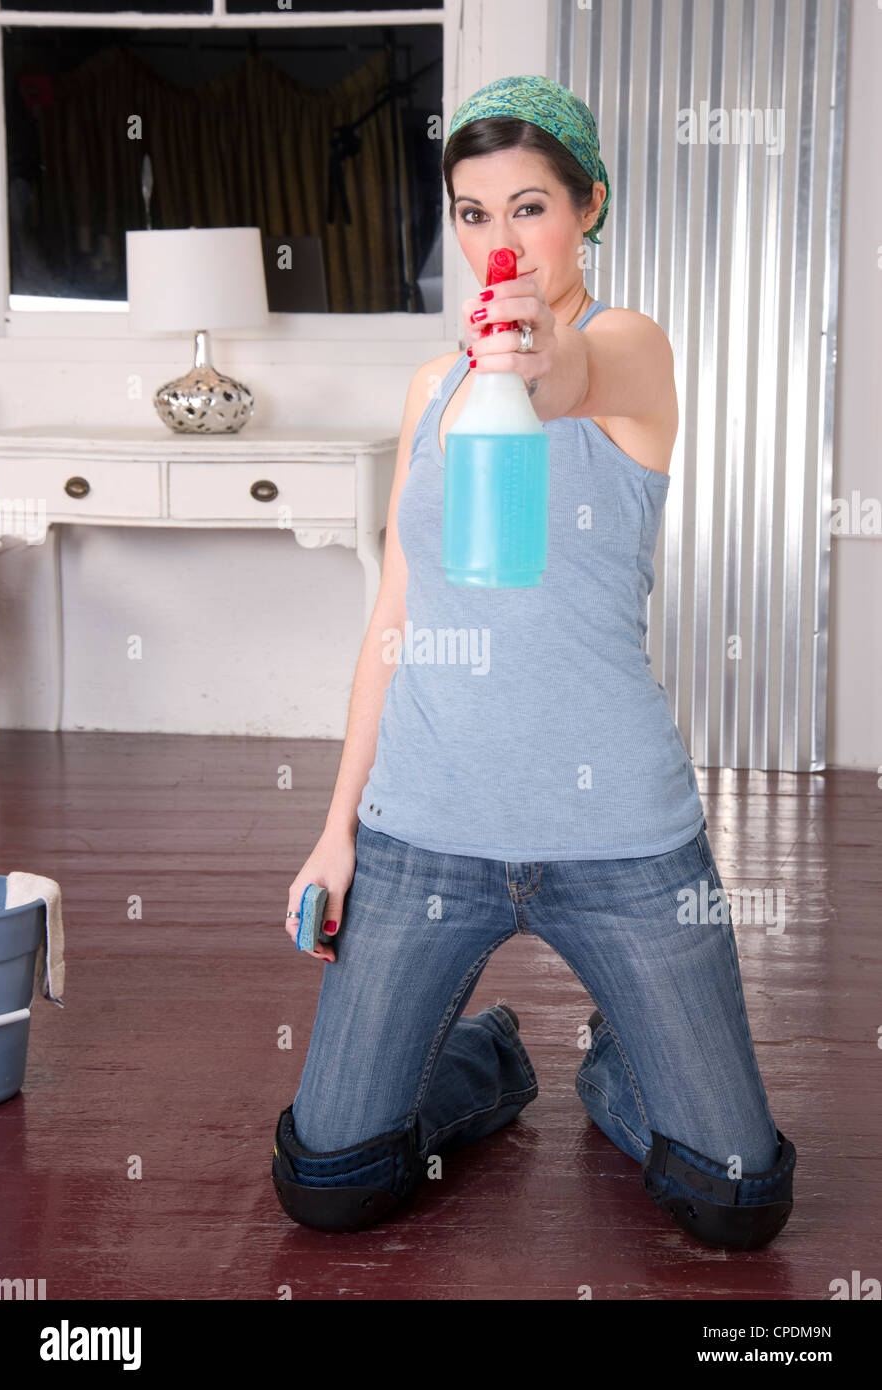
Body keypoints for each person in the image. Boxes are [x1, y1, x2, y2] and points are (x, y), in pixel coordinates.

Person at [271, 74, 796, 1250]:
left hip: (619, 837)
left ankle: (623, 1065)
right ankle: (489, 1056)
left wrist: (531, 355)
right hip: (428, 828)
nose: (496, 240)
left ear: (588, 206)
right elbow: (394, 620)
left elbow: (569, 379)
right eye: (470, 212)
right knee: (331, 1178)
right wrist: (337, 827)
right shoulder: (428, 387)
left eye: (528, 207)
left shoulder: (626, 347)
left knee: (732, 1195)